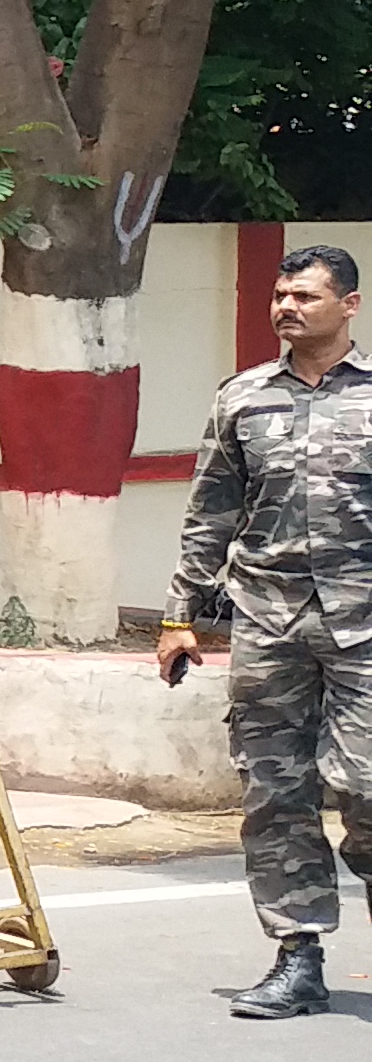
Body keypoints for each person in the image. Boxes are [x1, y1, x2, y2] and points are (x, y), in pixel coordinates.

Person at [166, 242, 372, 1019]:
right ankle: (298, 954)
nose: (288, 308)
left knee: (365, 785)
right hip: (269, 622)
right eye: (281, 297)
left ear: (348, 305)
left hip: (366, 624)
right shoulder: (243, 398)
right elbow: (209, 512)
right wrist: (180, 617)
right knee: (275, 793)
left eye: (306, 297)